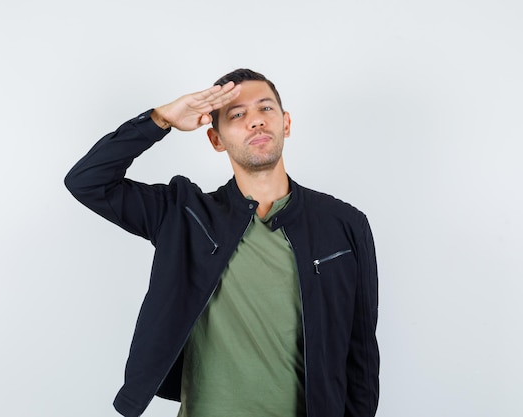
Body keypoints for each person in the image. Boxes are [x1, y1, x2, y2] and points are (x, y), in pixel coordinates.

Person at [64, 68, 379, 417]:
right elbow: (88, 182)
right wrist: (161, 119)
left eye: (265, 109)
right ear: (216, 139)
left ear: (286, 123)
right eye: (238, 115)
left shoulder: (344, 224)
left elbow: (360, 354)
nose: (256, 122)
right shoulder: (184, 215)